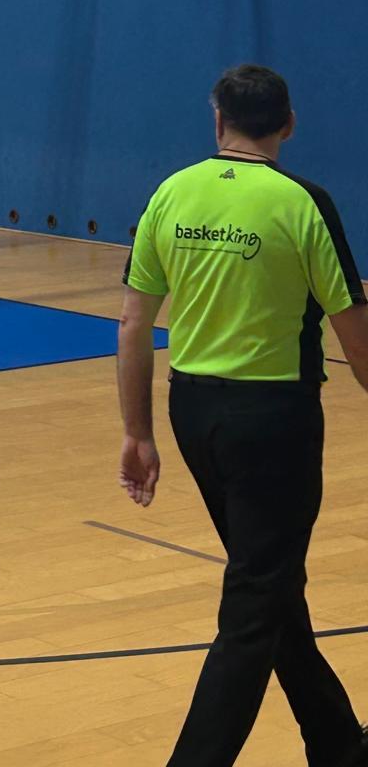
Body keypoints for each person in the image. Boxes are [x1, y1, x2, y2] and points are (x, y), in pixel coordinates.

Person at [118, 63, 368, 767]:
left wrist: (137, 433)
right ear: (288, 124)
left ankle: (338, 743)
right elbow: (356, 337)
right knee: (255, 607)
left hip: (193, 415)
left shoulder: (172, 192)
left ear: (218, 120)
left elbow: (133, 325)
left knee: (270, 581)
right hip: (274, 422)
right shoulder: (303, 202)